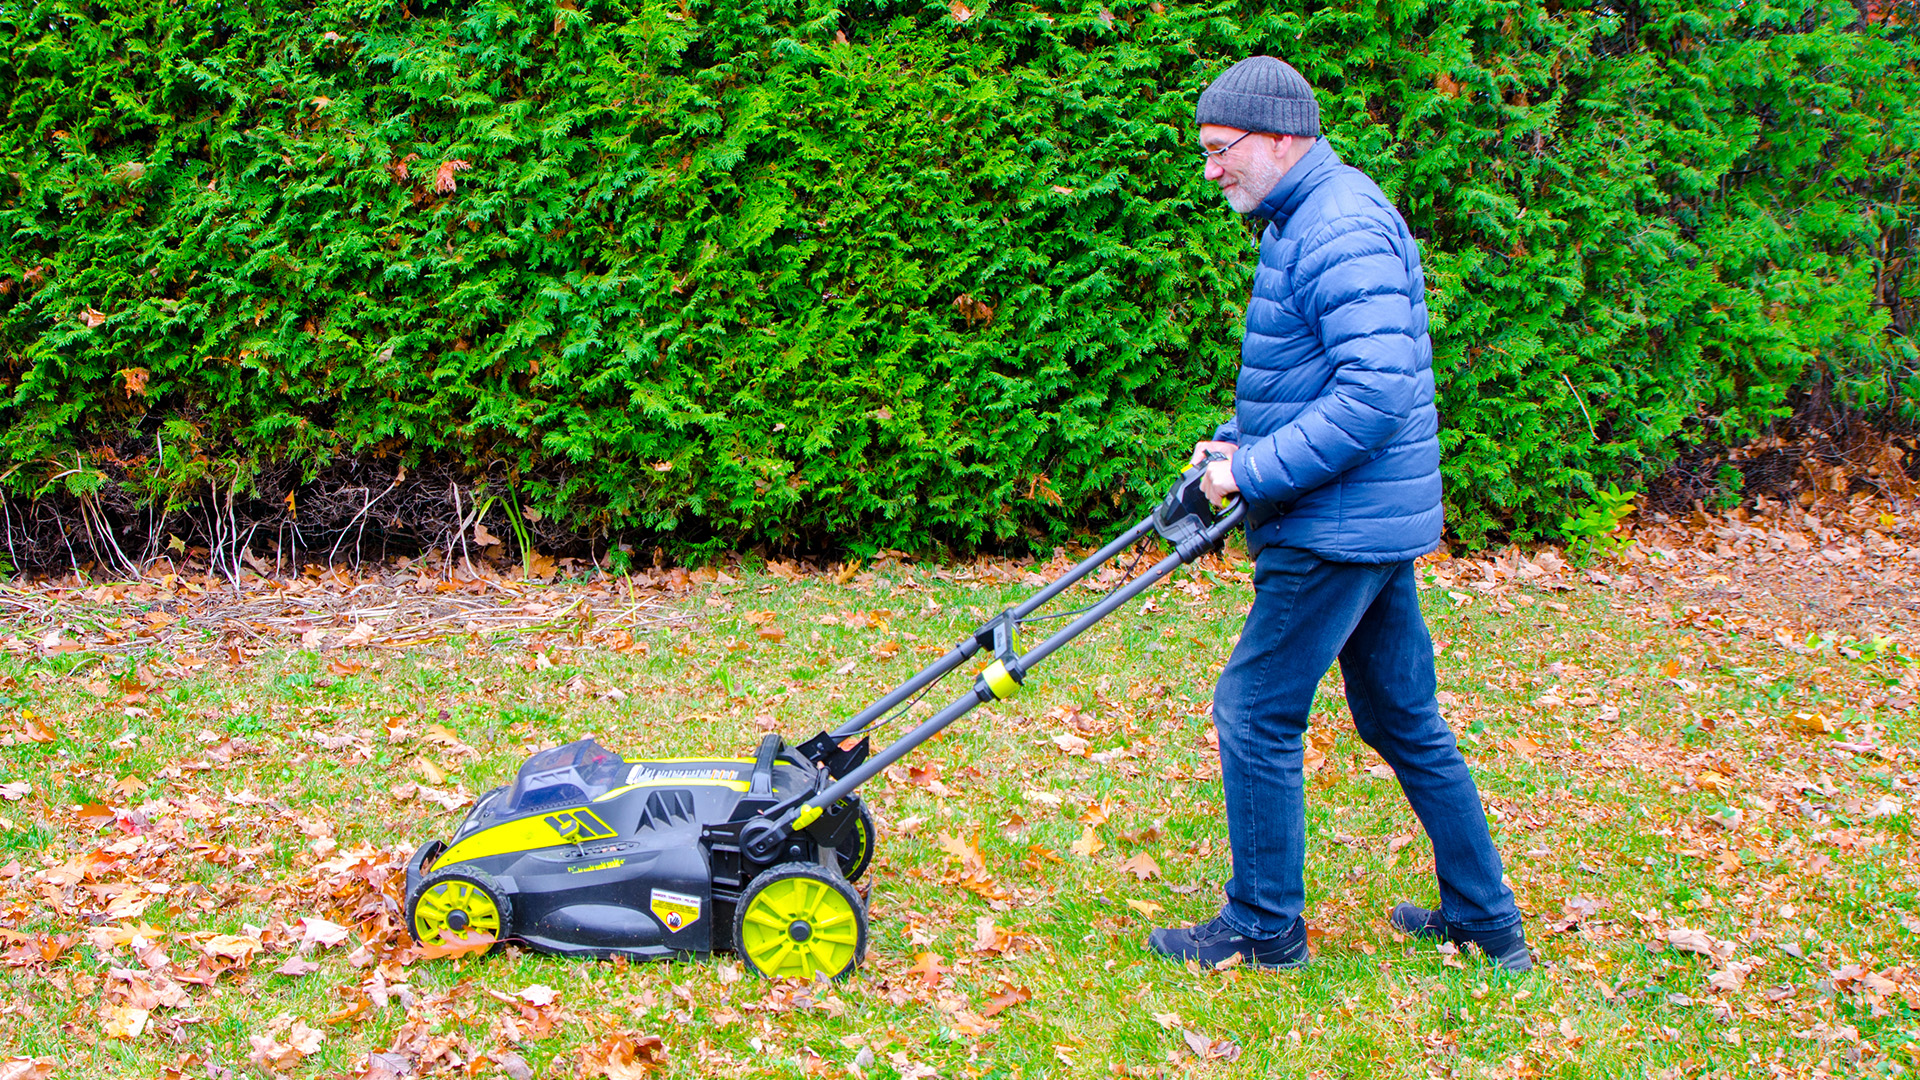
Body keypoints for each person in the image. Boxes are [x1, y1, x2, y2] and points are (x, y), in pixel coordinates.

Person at [1144, 56, 1532, 972]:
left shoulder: (1338, 226)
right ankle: (1486, 918)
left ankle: (1264, 926)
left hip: (1334, 525)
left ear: (1279, 136)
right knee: (1403, 719)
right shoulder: (1309, 216)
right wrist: (1233, 444)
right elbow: (1317, 378)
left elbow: (1370, 399)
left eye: (1220, 151)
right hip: (1364, 518)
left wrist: (1253, 474)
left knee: (1254, 710)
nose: (1211, 171)